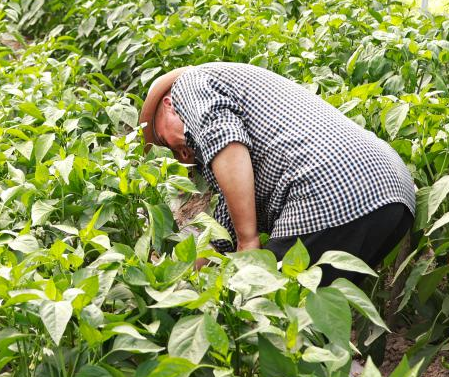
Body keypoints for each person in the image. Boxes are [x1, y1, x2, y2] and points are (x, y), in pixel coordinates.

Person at [139, 62, 416, 284]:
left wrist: (248, 241)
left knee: (263, 306)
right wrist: (180, 278)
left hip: (329, 190)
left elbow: (226, 142)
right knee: (312, 318)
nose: (180, 155)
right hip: (392, 194)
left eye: (163, 141)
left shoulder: (191, 85)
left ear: (169, 105)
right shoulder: (242, 109)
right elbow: (224, 231)